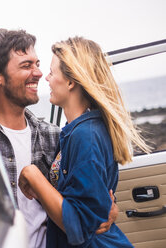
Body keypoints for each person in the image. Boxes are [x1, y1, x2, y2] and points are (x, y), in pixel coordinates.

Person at [0, 29, 118, 247]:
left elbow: (78, 201)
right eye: (26, 65)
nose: (39, 73)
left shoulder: (53, 136)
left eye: (38, 64)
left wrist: (104, 210)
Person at [18, 36, 149, 247]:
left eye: (52, 72)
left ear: (70, 82)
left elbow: (80, 225)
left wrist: (33, 175)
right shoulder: (77, 131)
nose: (47, 78)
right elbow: (89, 202)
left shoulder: (85, 136)